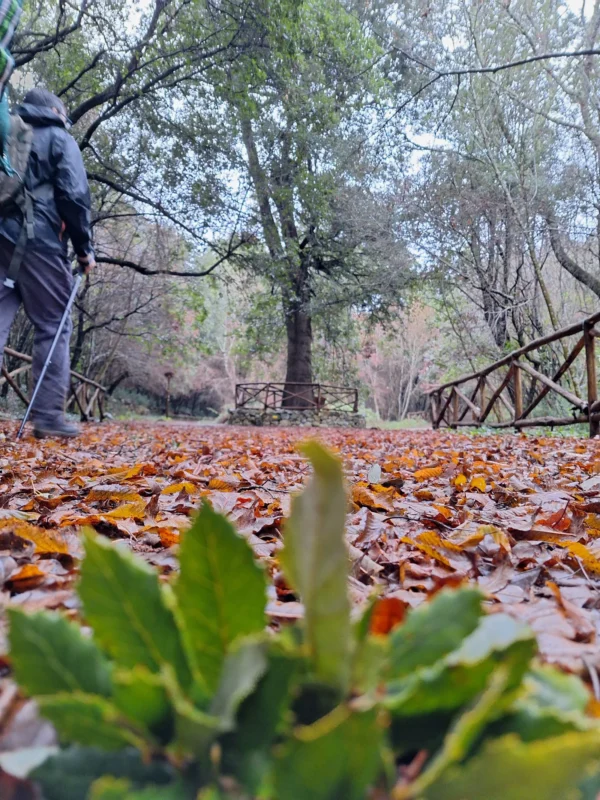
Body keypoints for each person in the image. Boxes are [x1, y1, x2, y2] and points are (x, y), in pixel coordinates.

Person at [0, 88, 95, 438]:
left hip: (1, 238)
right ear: (55, 111)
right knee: (54, 325)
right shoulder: (59, 138)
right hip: (38, 242)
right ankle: (47, 418)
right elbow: (74, 195)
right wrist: (84, 250)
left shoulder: (8, 133)